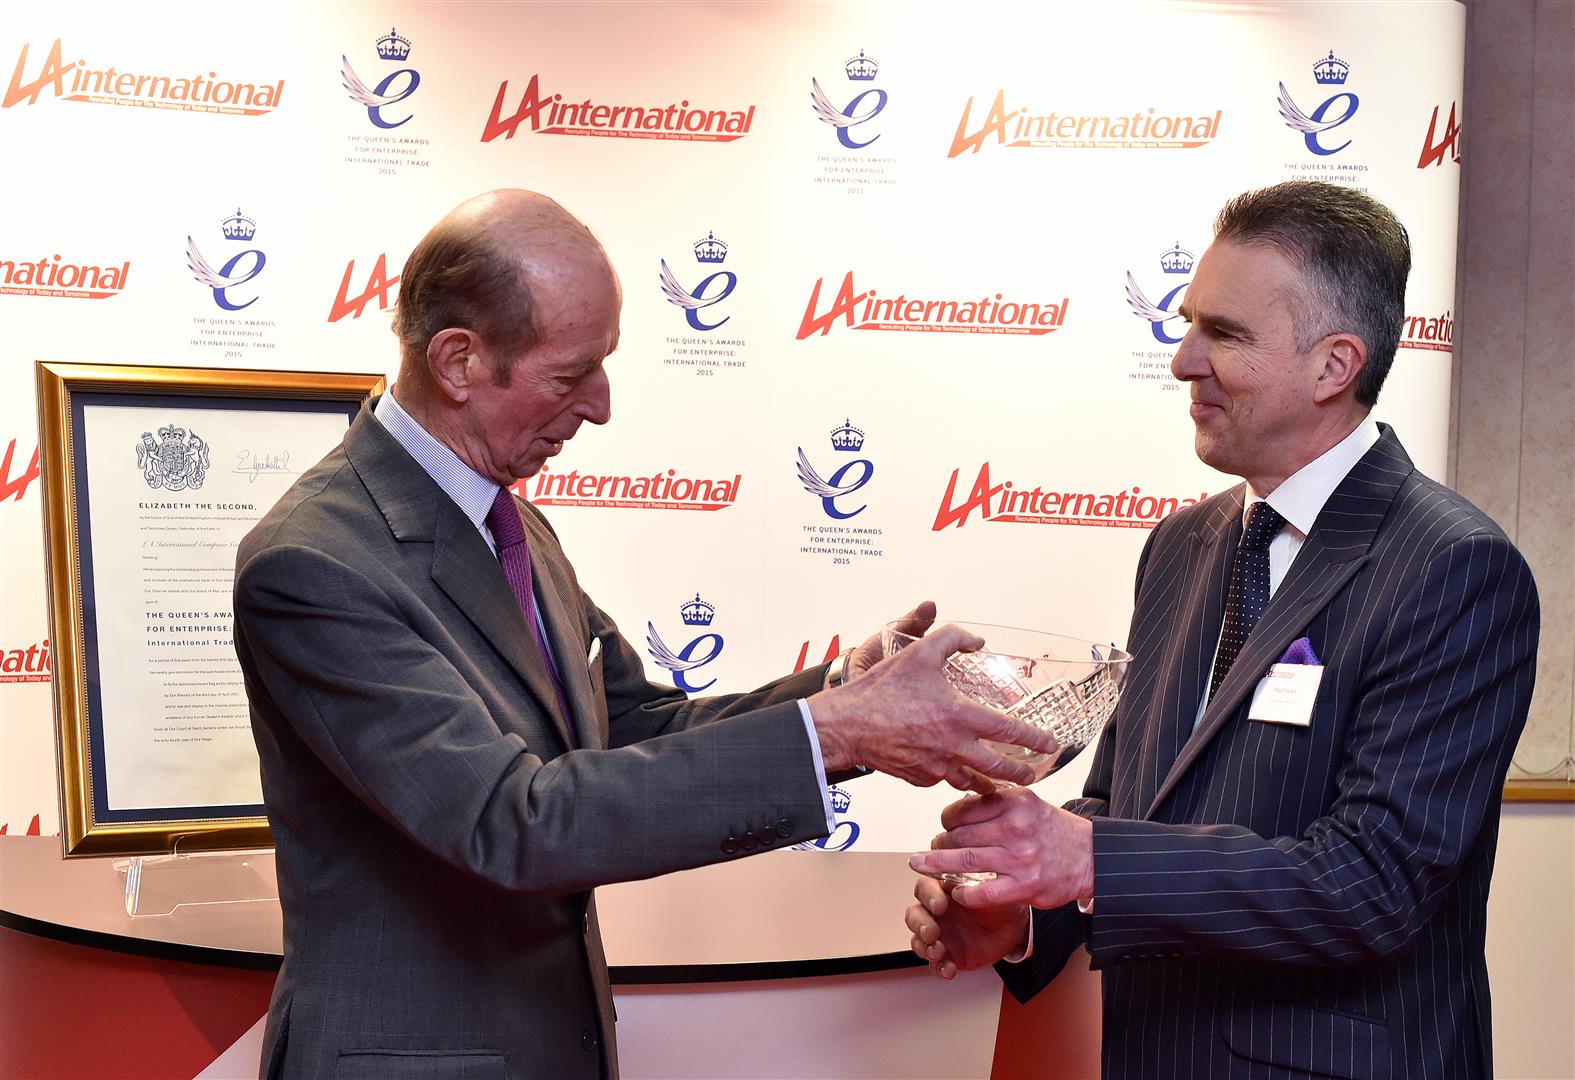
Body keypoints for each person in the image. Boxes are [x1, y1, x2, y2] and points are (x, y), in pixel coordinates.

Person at [233, 189, 1055, 1079]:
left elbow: (629, 728)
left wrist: (839, 696)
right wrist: (843, 732)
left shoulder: (508, 521)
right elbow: (513, 823)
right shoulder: (315, 563)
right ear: (459, 361)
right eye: (569, 373)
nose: (601, 406)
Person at [906, 181, 1540, 1079]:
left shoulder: (1453, 568)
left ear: (1333, 365)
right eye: (1189, 322)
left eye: (1225, 334)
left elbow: (1373, 884)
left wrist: (1082, 859)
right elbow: (1127, 807)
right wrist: (1019, 913)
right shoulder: (1184, 544)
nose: (1181, 360)